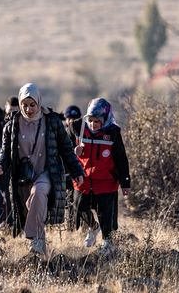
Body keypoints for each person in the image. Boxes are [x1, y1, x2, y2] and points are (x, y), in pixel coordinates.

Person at [0, 83, 85, 255]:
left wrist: (77, 171)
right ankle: (40, 247)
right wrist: (0, 165)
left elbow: (66, 149)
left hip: (46, 172)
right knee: (33, 206)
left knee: (39, 193)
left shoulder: (52, 121)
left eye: (32, 105)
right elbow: (5, 151)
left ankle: (34, 239)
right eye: (25, 105)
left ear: (39, 102)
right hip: (23, 176)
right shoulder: (12, 125)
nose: (28, 109)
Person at [72, 98, 131, 255]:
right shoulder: (79, 128)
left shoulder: (112, 133)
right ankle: (93, 227)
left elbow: (121, 159)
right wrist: (75, 149)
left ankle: (107, 242)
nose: (93, 124)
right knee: (79, 206)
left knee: (105, 214)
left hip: (106, 181)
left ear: (105, 120)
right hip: (83, 179)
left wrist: (125, 182)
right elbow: (68, 145)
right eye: (90, 120)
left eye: (97, 121)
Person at [0, 96, 19, 229]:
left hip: (13, 168)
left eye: (15, 111)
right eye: (10, 112)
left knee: (10, 198)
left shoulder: (21, 126)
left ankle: (10, 224)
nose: (12, 114)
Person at [62, 105, 82, 231]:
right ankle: (71, 229)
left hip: (80, 174)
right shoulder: (61, 133)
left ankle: (80, 228)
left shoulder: (83, 134)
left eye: (75, 118)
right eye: (69, 118)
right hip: (66, 173)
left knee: (78, 203)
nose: (72, 121)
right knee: (69, 202)